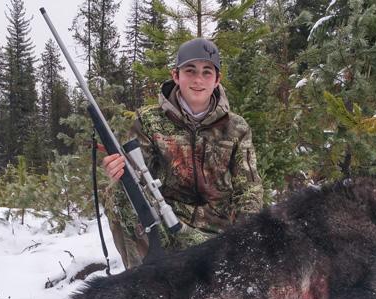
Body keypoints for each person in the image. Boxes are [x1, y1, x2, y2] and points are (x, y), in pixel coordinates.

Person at [102, 37, 263, 269]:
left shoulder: (237, 127)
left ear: (217, 80)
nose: (198, 79)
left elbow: (249, 189)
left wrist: (244, 236)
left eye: (207, 72)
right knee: (119, 194)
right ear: (176, 75)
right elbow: (136, 178)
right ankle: (140, 281)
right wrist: (118, 171)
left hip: (219, 229)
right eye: (190, 70)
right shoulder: (149, 120)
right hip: (169, 223)